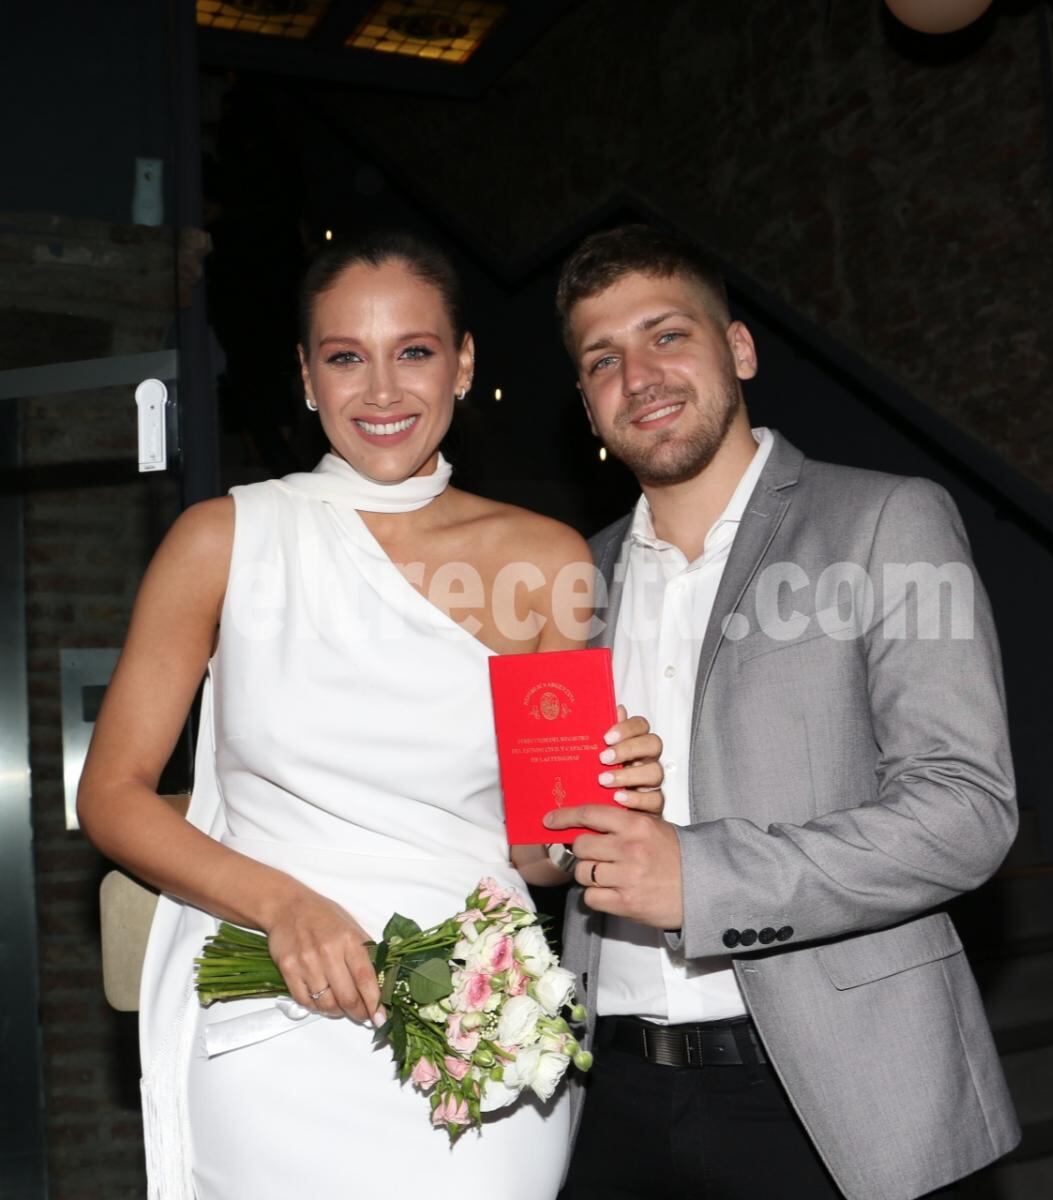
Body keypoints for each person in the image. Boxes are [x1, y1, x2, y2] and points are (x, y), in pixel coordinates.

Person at [77, 230, 664, 1200]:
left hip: (483, 1024)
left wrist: (603, 804)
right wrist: (282, 905)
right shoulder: (224, 540)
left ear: (462, 364)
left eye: (415, 352)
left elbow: (536, 855)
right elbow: (113, 796)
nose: (381, 391)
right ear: (307, 376)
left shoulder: (546, 559)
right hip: (271, 1009)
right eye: (346, 357)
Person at [542, 224, 1020, 1200]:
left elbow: (967, 811)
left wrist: (701, 878)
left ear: (739, 350)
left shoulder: (883, 521)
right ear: (587, 403)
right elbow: (546, 836)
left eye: (666, 335)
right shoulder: (564, 583)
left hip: (830, 1103)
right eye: (603, 359)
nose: (638, 375)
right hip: (609, 1104)